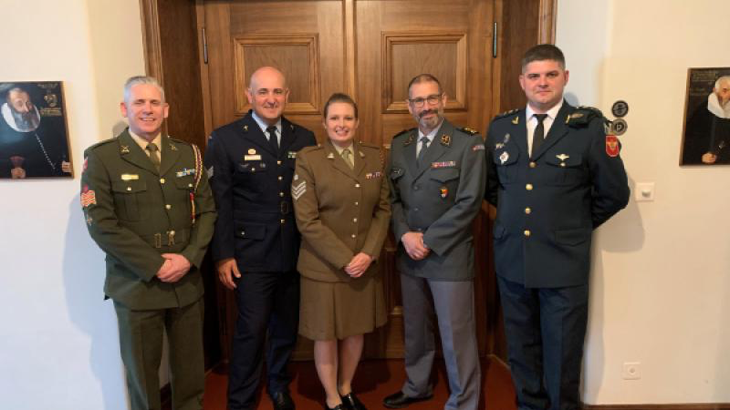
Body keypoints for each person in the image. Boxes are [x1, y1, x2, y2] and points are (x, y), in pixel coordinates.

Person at [484, 44, 630, 410]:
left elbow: (614, 193)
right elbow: (491, 186)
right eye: (534, 76)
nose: (542, 83)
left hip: (564, 263)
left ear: (565, 77)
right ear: (522, 81)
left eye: (551, 75)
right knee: (520, 347)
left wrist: (573, 226)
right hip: (513, 259)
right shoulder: (502, 127)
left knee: (563, 352)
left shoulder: (590, 128)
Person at [81, 76, 217, 410]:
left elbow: (208, 211)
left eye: (155, 103)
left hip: (185, 281)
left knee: (189, 374)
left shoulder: (189, 155)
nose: (148, 109)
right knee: (143, 375)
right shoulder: (103, 158)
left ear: (166, 110)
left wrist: (188, 259)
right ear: (125, 109)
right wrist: (154, 265)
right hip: (135, 284)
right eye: (139, 103)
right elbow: (101, 224)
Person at [204, 66, 317, 410]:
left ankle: (279, 386)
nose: (271, 99)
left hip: (295, 251)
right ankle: (241, 399)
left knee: (286, 327)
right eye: (263, 92)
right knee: (251, 331)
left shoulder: (305, 138)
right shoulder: (225, 139)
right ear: (248, 96)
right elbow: (219, 202)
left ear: (288, 96)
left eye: (278, 92)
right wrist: (223, 255)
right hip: (250, 254)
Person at [384, 74, 486, 410]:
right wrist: (404, 234)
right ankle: (417, 386)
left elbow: (469, 201)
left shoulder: (466, 143)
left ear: (442, 100)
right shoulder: (399, 145)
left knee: (456, 333)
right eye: (418, 101)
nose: (425, 106)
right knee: (415, 328)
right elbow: (392, 198)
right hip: (410, 253)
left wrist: (428, 239)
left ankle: (465, 401)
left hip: (448, 254)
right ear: (409, 106)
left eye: (431, 99)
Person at [292, 93, 391, 410]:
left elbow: (384, 210)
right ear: (324, 123)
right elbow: (307, 221)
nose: (341, 124)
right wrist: (346, 259)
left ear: (357, 122)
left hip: (364, 264)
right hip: (324, 266)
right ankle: (332, 397)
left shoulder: (374, 157)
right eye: (334, 118)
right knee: (326, 334)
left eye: (348, 118)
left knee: (354, 331)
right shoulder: (309, 159)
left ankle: (346, 387)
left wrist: (369, 253)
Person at [0, 84, 71, 178]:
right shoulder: (3, 128)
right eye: (19, 104)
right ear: (9, 106)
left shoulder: (45, 121)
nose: (27, 109)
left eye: (28, 103)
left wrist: (67, 163)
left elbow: (59, 147)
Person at [682, 75, 730, 165]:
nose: (729, 95)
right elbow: (689, 140)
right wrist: (700, 155)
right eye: (725, 90)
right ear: (715, 91)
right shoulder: (702, 111)